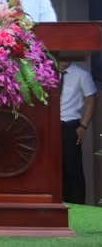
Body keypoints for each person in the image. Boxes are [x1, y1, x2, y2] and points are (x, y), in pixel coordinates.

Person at [57, 60, 96, 204]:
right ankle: (59, 205)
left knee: (73, 169)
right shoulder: (46, 72)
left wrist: (83, 126)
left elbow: (91, 101)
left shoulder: (82, 75)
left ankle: (77, 206)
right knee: (55, 169)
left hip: (70, 126)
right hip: (50, 126)